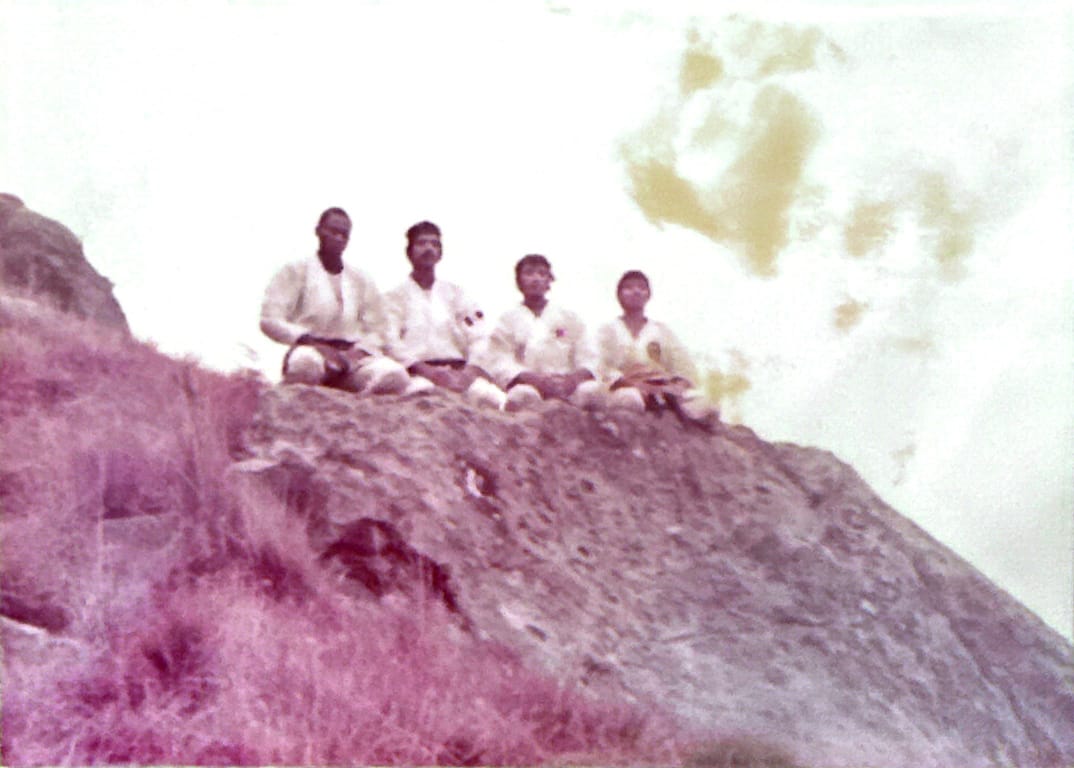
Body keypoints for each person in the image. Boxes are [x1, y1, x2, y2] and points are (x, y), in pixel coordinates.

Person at [260, 207, 410, 394]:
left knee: (395, 375)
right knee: (304, 364)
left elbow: (379, 328)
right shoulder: (295, 270)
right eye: (333, 231)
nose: (339, 238)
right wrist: (309, 340)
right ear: (319, 231)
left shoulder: (361, 279)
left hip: (352, 357)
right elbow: (269, 319)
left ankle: (356, 412)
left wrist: (358, 351)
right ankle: (300, 410)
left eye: (344, 234)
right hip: (311, 350)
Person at [383, 221, 507, 409]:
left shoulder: (457, 295)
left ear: (440, 254)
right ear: (409, 252)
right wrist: (426, 371)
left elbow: (479, 336)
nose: (429, 249)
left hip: (459, 372)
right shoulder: (394, 298)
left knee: (493, 399)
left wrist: (469, 372)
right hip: (418, 373)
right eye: (422, 243)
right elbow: (390, 341)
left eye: (434, 244)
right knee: (422, 398)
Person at [478, 254, 601, 411]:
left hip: (567, 387)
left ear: (549, 282)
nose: (536, 279)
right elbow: (499, 358)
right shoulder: (508, 320)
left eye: (542, 274)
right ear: (519, 282)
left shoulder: (569, 317)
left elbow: (589, 356)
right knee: (521, 397)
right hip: (528, 386)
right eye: (529, 273)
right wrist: (532, 379)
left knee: (592, 392)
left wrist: (571, 381)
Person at [596, 270, 718, 428]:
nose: (636, 292)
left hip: (662, 389)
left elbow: (683, 365)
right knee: (629, 400)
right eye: (628, 288)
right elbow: (601, 366)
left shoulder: (661, 331)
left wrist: (675, 386)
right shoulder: (608, 330)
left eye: (641, 288)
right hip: (627, 387)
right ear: (619, 295)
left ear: (648, 295)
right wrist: (631, 383)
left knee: (708, 405)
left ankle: (666, 406)